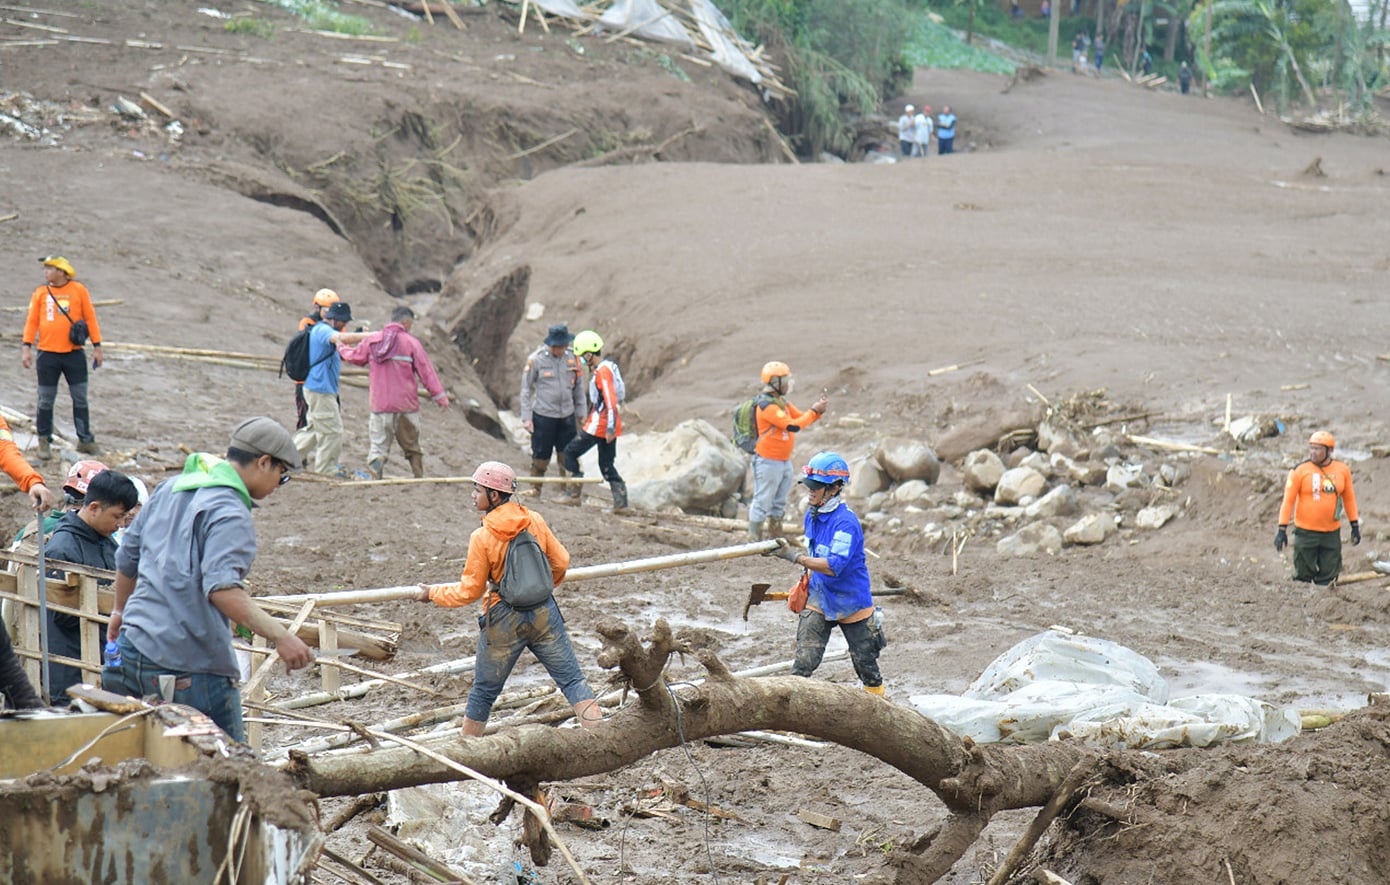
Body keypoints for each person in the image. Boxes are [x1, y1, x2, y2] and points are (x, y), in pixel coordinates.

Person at [105, 417, 313, 742]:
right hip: (190, 664)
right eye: (282, 476)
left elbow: (128, 556)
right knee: (232, 772)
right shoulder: (230, 512)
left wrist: (119, 611)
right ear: (263, 462)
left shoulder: (171, 488)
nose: (277, 486)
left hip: (134, 648)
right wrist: (282, 637)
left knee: (143, 759)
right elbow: (223, 591)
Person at [416, 461, 601, 736]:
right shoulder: (534, 519)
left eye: (477, 489)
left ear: (494, 495)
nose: (472, 495)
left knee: (484, 691)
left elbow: (469, 591)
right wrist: (540, 588)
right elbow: (561, 561)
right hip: (544, 613)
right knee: (573, 680)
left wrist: (431, 594)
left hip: (503, 618)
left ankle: (468, 751)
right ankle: (601, 737)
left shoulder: (482, 537)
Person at [768, 452, 886, 695]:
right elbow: (815, 553)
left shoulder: (846, 523)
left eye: (816, 487)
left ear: (834, 488)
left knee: (866, 667)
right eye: (809, 486)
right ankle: (791, 712)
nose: (810, 492)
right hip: (820, 597)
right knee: (803, 663)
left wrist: (795, 556)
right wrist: (804, 581)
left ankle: (880, 707)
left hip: (852, 601)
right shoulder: (812, 515)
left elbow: (833, 566)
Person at [42, 469, 138, 704]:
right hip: (71, 673)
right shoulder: (62, 549)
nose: (120, 524)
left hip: (101, 665)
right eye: (117, 516)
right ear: (94, 507)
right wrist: (106, 600)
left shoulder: (106, 541)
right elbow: (61, 616)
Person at [338, 305, 449, 480]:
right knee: (411, 444)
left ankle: (376, 474)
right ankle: (418, 476)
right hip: (406, 405)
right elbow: (426, 373)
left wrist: (340, 347)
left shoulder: (373, 340)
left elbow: (355, 357)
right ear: (405, 322)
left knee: (378, 445)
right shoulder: (411, 343)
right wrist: (440, 397)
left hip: (380, 404)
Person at [21, 256, 104, 458]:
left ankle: (85, 439)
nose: (45, 272)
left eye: (49, 269)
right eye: (45, 269)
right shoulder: (40, 293)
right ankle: (43, 442)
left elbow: (90, 318)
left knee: (80, 398)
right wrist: (26, 347)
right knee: (45, 400)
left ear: (61, 272)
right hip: (47, 355)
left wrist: (97, 346)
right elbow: (32, 321)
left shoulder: (79, 290)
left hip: (73, 354)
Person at [748, 361, 827, 540]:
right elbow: (792, 426)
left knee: (779, 502)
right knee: (762, 501)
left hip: (783, 461)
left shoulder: (781, 402)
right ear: (774, 382)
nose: (787, 384)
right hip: (768, 461)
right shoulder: (767, 406)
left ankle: (776, 537)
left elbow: (800, 417)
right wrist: (814, 411)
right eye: (784, 380)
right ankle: (754, 539)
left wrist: (817, 411)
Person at [1275, 431, 1360, 586]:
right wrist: (1282, 529)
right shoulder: (1300, 470)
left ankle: (1324, 607)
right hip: (1306, 533)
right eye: (1311, 448)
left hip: (1331, 533)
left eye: (1318, 449)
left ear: (1329, 451)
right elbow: (1288, 501)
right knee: (1303, 576)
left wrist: (1354, 525)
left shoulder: (1342, 470)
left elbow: (1349, 499)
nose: (1313, 452)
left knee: (1330, 576)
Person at [562, 330, 627, 511]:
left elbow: (610, 399)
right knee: (606, 464)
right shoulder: (607, 368)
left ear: (589, 354)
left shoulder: (602, 372)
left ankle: (573, 494)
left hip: (601, 425)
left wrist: (610, 428)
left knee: (570, 452)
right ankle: (621, 502)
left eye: (582, 357)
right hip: (606, 423)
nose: (581, 361)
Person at [520, 323, 586, 498]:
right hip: (544, 417)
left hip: (567, 416)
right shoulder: (536, 360)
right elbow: (526, 390)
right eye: (558, 346)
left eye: (564, 346)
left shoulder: (573, 359)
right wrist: (526, 417)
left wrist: (582, 413)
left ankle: (570, 492)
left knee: (568, 454)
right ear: (551, 345)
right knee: (541, 454)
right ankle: (535, 488)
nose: (562, 349)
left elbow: (579, 388)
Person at [293, 300, 353, 476]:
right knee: (332, 432)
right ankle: (326, 470)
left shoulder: (324, 329)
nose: (344, 325)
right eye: (343, 321)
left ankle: (287, 459)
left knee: (313, 429)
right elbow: (340, 339)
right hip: (321, 390)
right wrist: (371, 336)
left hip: (318, 388)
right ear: (335, 319)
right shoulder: (324, 330)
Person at [293, 288, 340, 430]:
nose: (330, 314)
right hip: (307, 379)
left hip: (327, 381)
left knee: (330, 419)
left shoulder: (336, 326)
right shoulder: (308, 323)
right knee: (305, 421)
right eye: (326, 310)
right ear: (317, 308)